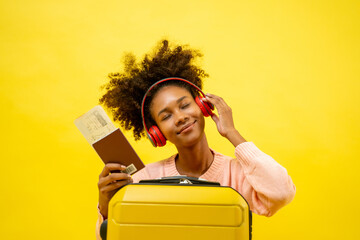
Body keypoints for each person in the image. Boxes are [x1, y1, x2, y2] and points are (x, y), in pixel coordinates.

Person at [95, 39, 296, 239]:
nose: (180, 117)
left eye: (184, 105)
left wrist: (232, 133)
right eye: (166, 116)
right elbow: (114, 237)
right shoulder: (143, 178)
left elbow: (281, 193)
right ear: (156, 132)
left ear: (202, 105)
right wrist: (106, 204)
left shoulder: (237, 175)